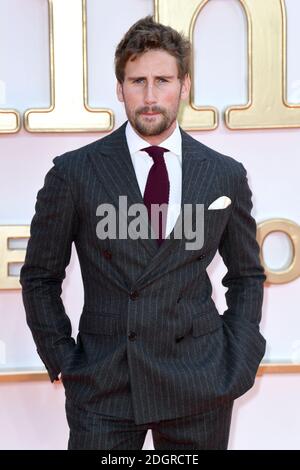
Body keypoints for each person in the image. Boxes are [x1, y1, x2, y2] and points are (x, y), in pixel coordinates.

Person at [20, 15, 266, 450]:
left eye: (162, 80)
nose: (150, 97)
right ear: (120, 88)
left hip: (200, 381)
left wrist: (239, 356)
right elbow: (40, 277)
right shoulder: (74, 173)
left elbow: (246, 275)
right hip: (105, 384)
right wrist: (64, 360)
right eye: (137, 82)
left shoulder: (224, 175)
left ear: (184, 86)